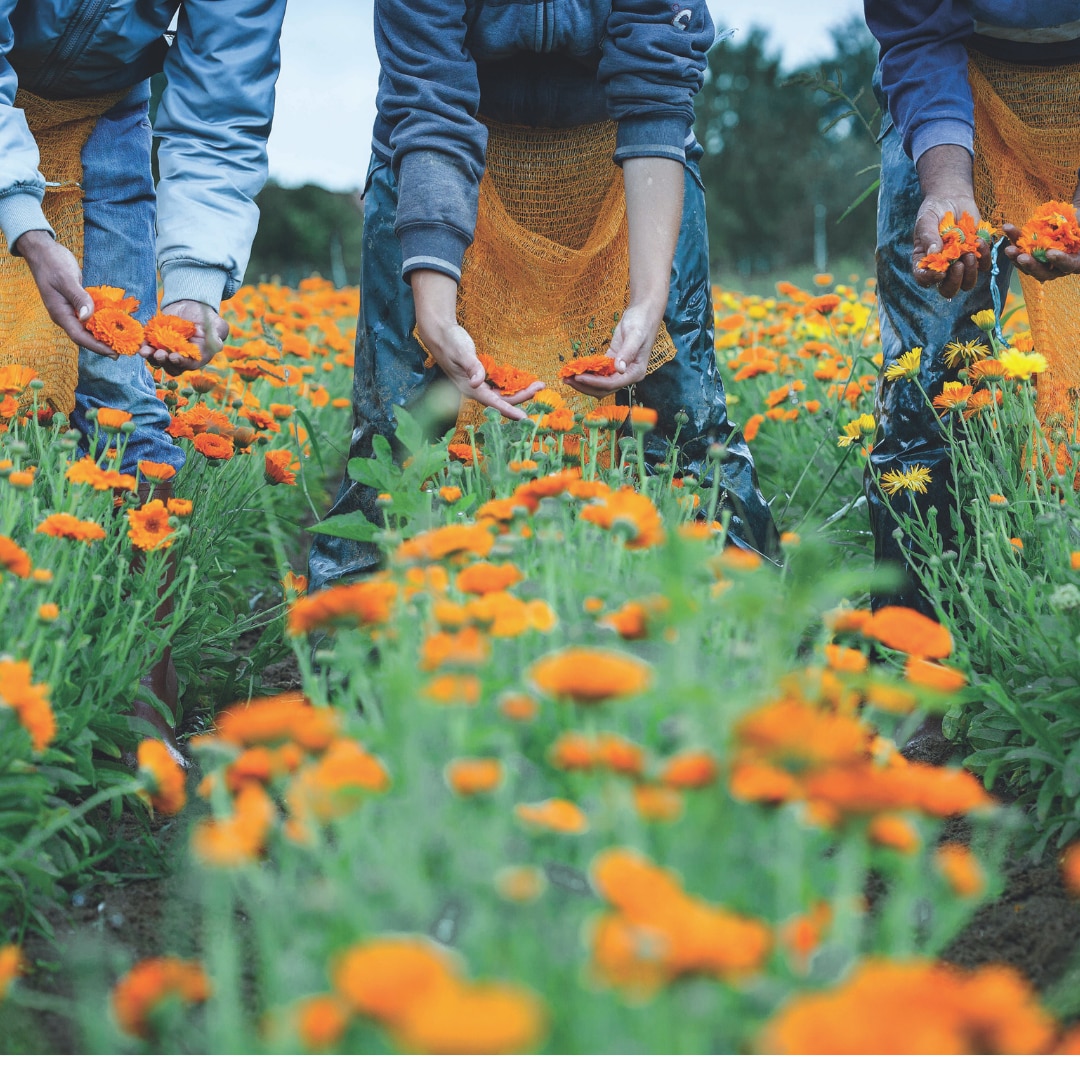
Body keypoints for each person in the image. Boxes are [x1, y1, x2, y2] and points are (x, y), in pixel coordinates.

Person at [307, 1, 780, 595]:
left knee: (687, 423)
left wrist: (648, 297)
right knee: (396, 432)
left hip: (630, 150)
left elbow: (657, 78)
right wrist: (434, 310)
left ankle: (738, 641)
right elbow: (429, 99)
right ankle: (359, 658)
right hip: (440, 147)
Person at [0, 1, 287, 762]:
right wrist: (25, 220)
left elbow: (221, 109)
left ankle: (134, 721)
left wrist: (194, 280)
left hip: (105, 120)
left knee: (124, 398)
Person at [863, 1, 1080, 757]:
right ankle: (917, 670)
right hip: (952, 88)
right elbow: (919, 30)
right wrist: (946, 185)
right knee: (927, 372)